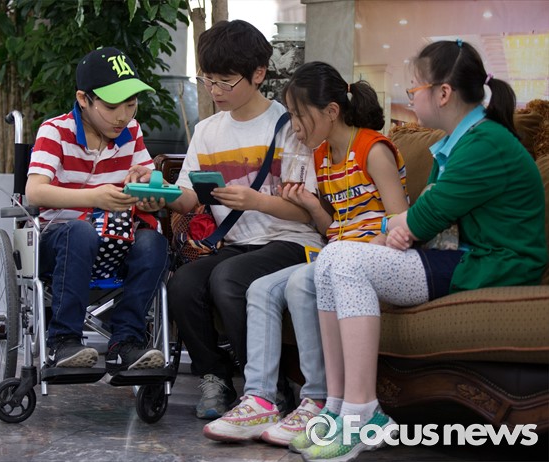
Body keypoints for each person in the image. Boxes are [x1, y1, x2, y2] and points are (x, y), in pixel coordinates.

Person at [300, 40, 547, 462]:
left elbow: (423, 217)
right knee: (332, 259)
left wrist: (398, 229)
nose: (410, 97)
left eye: (414, 88)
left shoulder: (485, 143)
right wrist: (399, 229)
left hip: (495, 265)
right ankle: (338, 406)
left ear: (443, 93)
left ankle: (362, 414)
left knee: (346, 261)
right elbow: (423, 215)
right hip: (463, 256)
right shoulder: (457, 141)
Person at [203, 61, 409, 445]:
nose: (294, 127)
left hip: (369, 260)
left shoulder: (372, 149)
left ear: (331, 111)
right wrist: (312, 206)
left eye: (299, 116)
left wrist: (368, 248)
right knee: (260, 289)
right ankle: (260, 399)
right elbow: (333, 227)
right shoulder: (322, 157)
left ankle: (317, 399)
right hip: (336, 256)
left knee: (299, 283)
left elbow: (401, 219)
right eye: (292, 116)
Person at [166, 20, 325, 419]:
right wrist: (159, 196)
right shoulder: (207, 131)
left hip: (293, 241)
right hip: (238, 245)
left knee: (229, 278)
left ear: (258, 74)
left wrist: (257, 201)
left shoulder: (287, 126)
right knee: (183, 283)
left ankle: (271, 388)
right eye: (208, 80)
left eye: (226, 81)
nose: (215, 90)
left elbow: (307, 211)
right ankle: (215, 378)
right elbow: (188, 198)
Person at [26, 47, 168, 374]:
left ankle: (126, 342)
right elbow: (35, 191)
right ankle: (64, 340)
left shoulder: (132, 132)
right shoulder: (55, 131)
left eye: (131, 104)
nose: (122, 116)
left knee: (153, 242)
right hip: (59, 245)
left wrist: (149, 188)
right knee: (79, 231)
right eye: (112, 106)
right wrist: (95, 198)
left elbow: (150, 180)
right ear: (83, 99)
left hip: (114, 241)